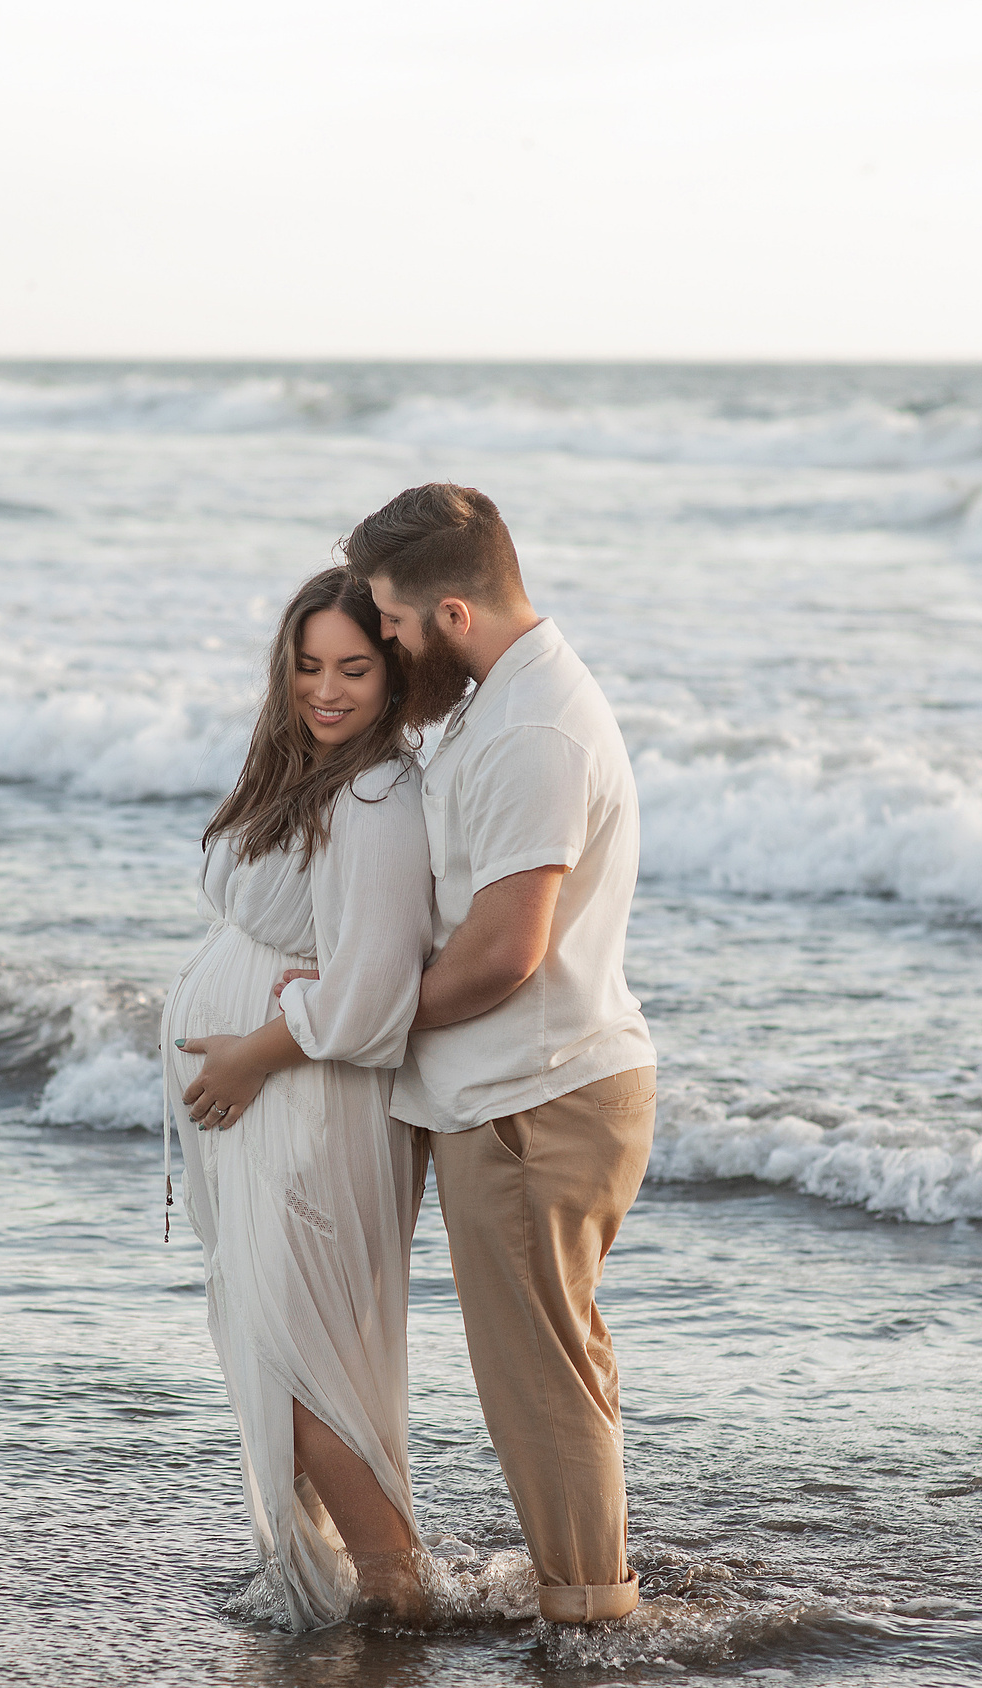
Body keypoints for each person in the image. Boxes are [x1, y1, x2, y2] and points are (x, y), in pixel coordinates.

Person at [306, 482, 657, 1625]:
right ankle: (591, 1603)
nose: (391, 645)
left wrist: (361, 1017)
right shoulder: (506, 702)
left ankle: (588, 1629)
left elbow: (506, 950)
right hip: (535, 1091)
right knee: (559, 1370)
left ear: (452, 612)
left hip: (533, 1101)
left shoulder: (532, 728)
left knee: (538, 1390)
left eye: (398, 625)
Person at [163, 567, 441, 1630]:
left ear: (395, 673)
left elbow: (372, 995)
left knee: (293, 1363)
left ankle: (395, 1597)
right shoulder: (312, 773)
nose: (327, 690)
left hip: (311, 1102)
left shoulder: (377, 797)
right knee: (271, 1348)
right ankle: (367, 1593)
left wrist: (252, 1057)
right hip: (271, 1101)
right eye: (309, 665)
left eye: (355, 669)